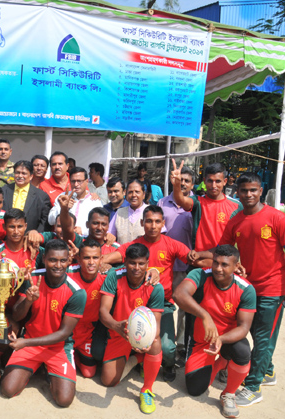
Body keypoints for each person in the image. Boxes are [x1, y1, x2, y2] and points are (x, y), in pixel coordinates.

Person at [215, 172, 285, 407]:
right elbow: (225, 250)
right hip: (247, 289)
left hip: (273, 288)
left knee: (262, 339)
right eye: (244, 190)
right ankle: (267, 371)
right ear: (237, 193)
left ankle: (252, 387)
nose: (248, 194)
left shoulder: (278, 218)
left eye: (253, 190)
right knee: (247, 332)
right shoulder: (236, 220)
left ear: (261, 191)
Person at [103, 205, 204, 382]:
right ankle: (138, 358)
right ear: (142, 223)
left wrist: (228, 267)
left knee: (166, 347)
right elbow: (115, 256)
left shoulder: (171, 244)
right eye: (149, 221)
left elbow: (194, 259)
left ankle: (168, 363)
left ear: (163, 223)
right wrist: (101, 263)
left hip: (161, 302)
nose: (153, 225)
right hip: (136, 300)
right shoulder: (134, 246)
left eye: (157, 221)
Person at [173, 245, 256, 419]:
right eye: (216, 263)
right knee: (195, 390)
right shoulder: (201, 275)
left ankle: (229, 394)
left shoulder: (246, 289)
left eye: (225, 265)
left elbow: (243, 328)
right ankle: (220, 363)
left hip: (226, 340)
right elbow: (178, 294)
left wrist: (221, 339)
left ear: (236, 266)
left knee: (242, 350)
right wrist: (205, 315)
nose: (218, 268)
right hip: (200, 342)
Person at [1, 239, 86, 407]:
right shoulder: (32, 279)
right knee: (8, 390)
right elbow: (17, 316)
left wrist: (25, 342)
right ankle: (36, 367)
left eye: (63, 260)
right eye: (53, 260)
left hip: (57, 347)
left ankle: (48, 371)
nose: (58, 265)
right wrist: (28, 301)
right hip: (30, 343)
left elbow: (63, 334)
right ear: (45, 258)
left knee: (64, 400)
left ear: (69, 260)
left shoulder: (77, 292)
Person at [99, 243, 164, 414]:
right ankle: (138, 359)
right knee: (108, 381)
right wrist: (116, 326)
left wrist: (148, 340)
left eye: (141, 264)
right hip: (119, 332)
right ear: (125, 262)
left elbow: (156, 324)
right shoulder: (114, 276)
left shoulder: (155, 286)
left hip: (143, 335)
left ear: (148, 263)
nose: (136, 268)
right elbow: (103, 311)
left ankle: (147, 389)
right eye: (132, 263)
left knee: (156, 343)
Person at [157, 164, 195, 363]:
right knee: (164, 305)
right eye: (180, 180)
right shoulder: (163, 202)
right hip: (165, 265)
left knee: (184, 307)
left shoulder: (196, 206)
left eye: (187, 181)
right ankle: (164, 342)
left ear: (192, 184)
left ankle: (180, 345)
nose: (183, 184)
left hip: (187, 266)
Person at [171, 160, 242, 253]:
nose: (213, 185)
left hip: (223, 263)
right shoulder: (198, 201)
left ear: (225, 181)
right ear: (204, 181)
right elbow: (181, 200)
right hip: (199, 261)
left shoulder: (237, 206)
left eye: (217, 181)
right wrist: (176, 184)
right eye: (210, 181)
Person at [66, 239, 107, 378]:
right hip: (67, 330)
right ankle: (70, 350)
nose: (91, 262)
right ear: (78, 259)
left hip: (88, 332)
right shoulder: (67, 274)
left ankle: (78, 353)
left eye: (95, 257)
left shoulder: (107, 277)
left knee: (89, 373)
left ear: (101, 259)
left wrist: (154, 270)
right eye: (86, 258)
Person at [48, 168, 102, 235]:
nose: (76, 184)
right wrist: (63, 209)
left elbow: (100, 226)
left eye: (79, 181)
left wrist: (83, 231)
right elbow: (51, 221)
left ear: (87, 182)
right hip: (63, 239)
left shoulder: (94, 201)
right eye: (73, 181)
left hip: (85, 241)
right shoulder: (63, 197)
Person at [2, 161, 51, 232]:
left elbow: (44, 222)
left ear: (31, 176)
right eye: (17, 173)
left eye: (24, 173)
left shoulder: (41, 196)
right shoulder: (3, 191)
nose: (20, 176)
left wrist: (36, 236)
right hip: (5, 237)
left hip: (30, 239)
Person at [108, 179, 147, 244]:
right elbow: (110, 234)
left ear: (143, 194)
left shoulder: (151, 211)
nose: (133, 195)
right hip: (122, 253)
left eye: (137, 192)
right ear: (126, 194)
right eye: (130, 192)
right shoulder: (120, 212)